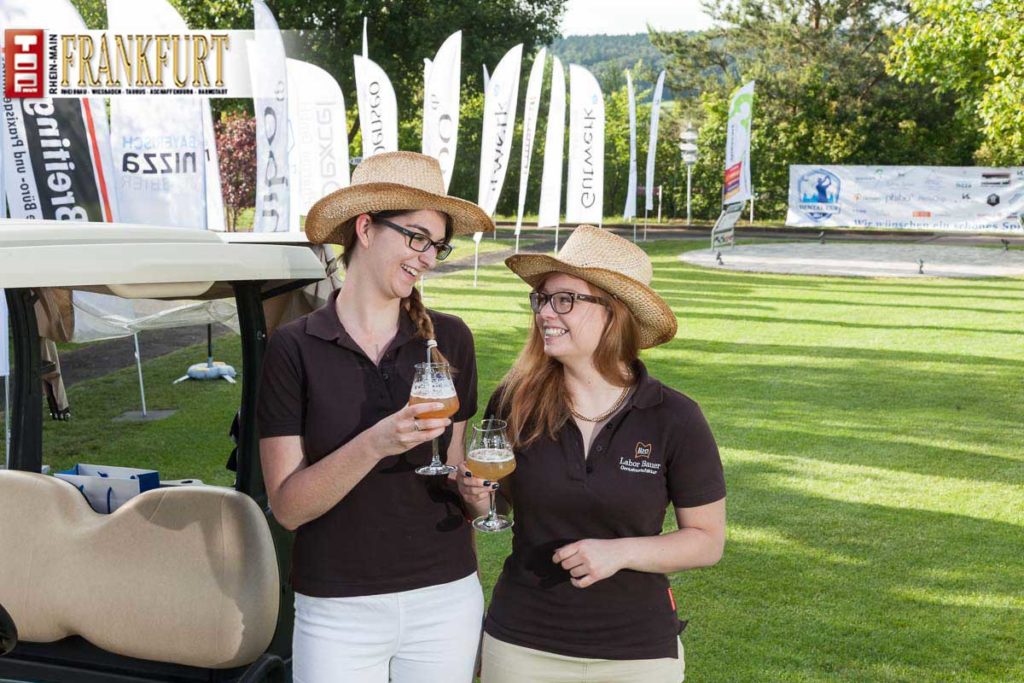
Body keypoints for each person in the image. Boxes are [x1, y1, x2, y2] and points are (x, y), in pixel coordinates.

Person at [257, 151, 494, 683]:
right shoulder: (294, 348)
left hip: (444, 597)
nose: (428, 257)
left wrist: (476, 496)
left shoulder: (449, 337)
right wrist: (378, 442)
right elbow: (289, 508)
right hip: (337, 607)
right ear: (365, 227)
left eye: (437, 245)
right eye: (417, 238)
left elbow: (455, 472)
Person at [459, 225, 726, 683]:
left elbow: (706, 540)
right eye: (541, 299)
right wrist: (477, 498)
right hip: (524, 642)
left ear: (613, 314)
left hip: (637, 652)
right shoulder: (513, 402)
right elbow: (494, 503)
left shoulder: (674, 417)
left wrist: (618, 553)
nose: (545, 312)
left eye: (565, 299)